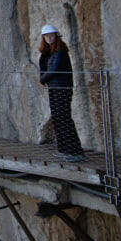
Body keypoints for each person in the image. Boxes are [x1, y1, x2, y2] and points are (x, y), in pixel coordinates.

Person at [38, 24, 86, 161]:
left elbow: (56, 68)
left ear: (56, 36)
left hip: (62, 87)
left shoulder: (61, 51)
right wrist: (44, 79)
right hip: (53, 87)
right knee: (57, 117)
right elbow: (45, 66)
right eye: (46, 36)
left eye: (51, 35)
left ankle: (75, 151)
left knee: (64, 117)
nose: (49, 38)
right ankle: (64, 149)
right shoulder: (47, 53)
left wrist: (42, 79)